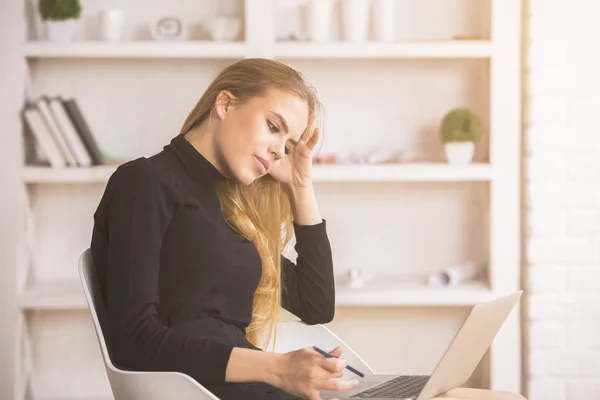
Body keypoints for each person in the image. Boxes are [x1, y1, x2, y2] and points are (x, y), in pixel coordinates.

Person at [90, 58, 526, 400]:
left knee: (506, 398)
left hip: (262, 387)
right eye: (273, 126)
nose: (278, 149)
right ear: (225, 104)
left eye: (288, 143)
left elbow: (316, 304)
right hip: (211, 392)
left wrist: (301, 184)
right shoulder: (144, 183)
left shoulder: (226, 205)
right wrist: (278, 368)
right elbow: (135, 343)